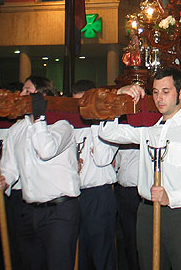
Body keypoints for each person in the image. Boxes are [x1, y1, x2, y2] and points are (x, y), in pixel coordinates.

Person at [100, 67, 181, 270]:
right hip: (146, 214)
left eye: (165, 91)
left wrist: (172, 197)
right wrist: (119, 96)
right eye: (155, 92)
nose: (159, 98)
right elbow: (108, 133)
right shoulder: (149, 131)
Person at [0, 75, 80, 270]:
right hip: (29, 211)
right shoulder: (16, 130)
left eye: (27, 91)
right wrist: (2, 182)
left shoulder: (62, 125)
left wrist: (39, 117)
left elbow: (46, 150)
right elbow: (9, 169)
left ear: (42, 95)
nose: (21, 94)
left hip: (59, 212)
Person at [73, 79, 119, 270]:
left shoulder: (107, 126)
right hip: (74, 196)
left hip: (98, 195)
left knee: (102, 254)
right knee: (79, 255)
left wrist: (95, 121)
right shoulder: (68, 126)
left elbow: (101, 158)